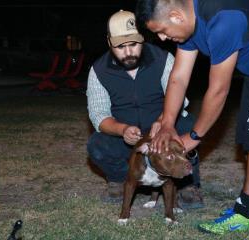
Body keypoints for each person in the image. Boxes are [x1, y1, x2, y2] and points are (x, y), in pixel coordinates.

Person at [136, 0, 249, 234]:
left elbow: (218, 91)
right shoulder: (187, 25)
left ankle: (244, 213)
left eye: (161, 31)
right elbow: (179, 77)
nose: (161, 38)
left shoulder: (223, 22)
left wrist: (194, 137)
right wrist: (168, 122)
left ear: (176, 16)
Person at [86, 10, 203, 209]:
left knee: (187, 124)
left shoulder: (163, 59)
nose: (129, 52)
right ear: (109, 42)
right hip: (126, 134)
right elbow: (99, 115)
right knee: (97, 144)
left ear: (142, 39)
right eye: (121, 46)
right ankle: (120, 179)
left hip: (162, 129)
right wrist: (122, 130)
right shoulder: (98, 70)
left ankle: (186, 183)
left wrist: (164, 120)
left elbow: (179, 97)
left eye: (133, 44)